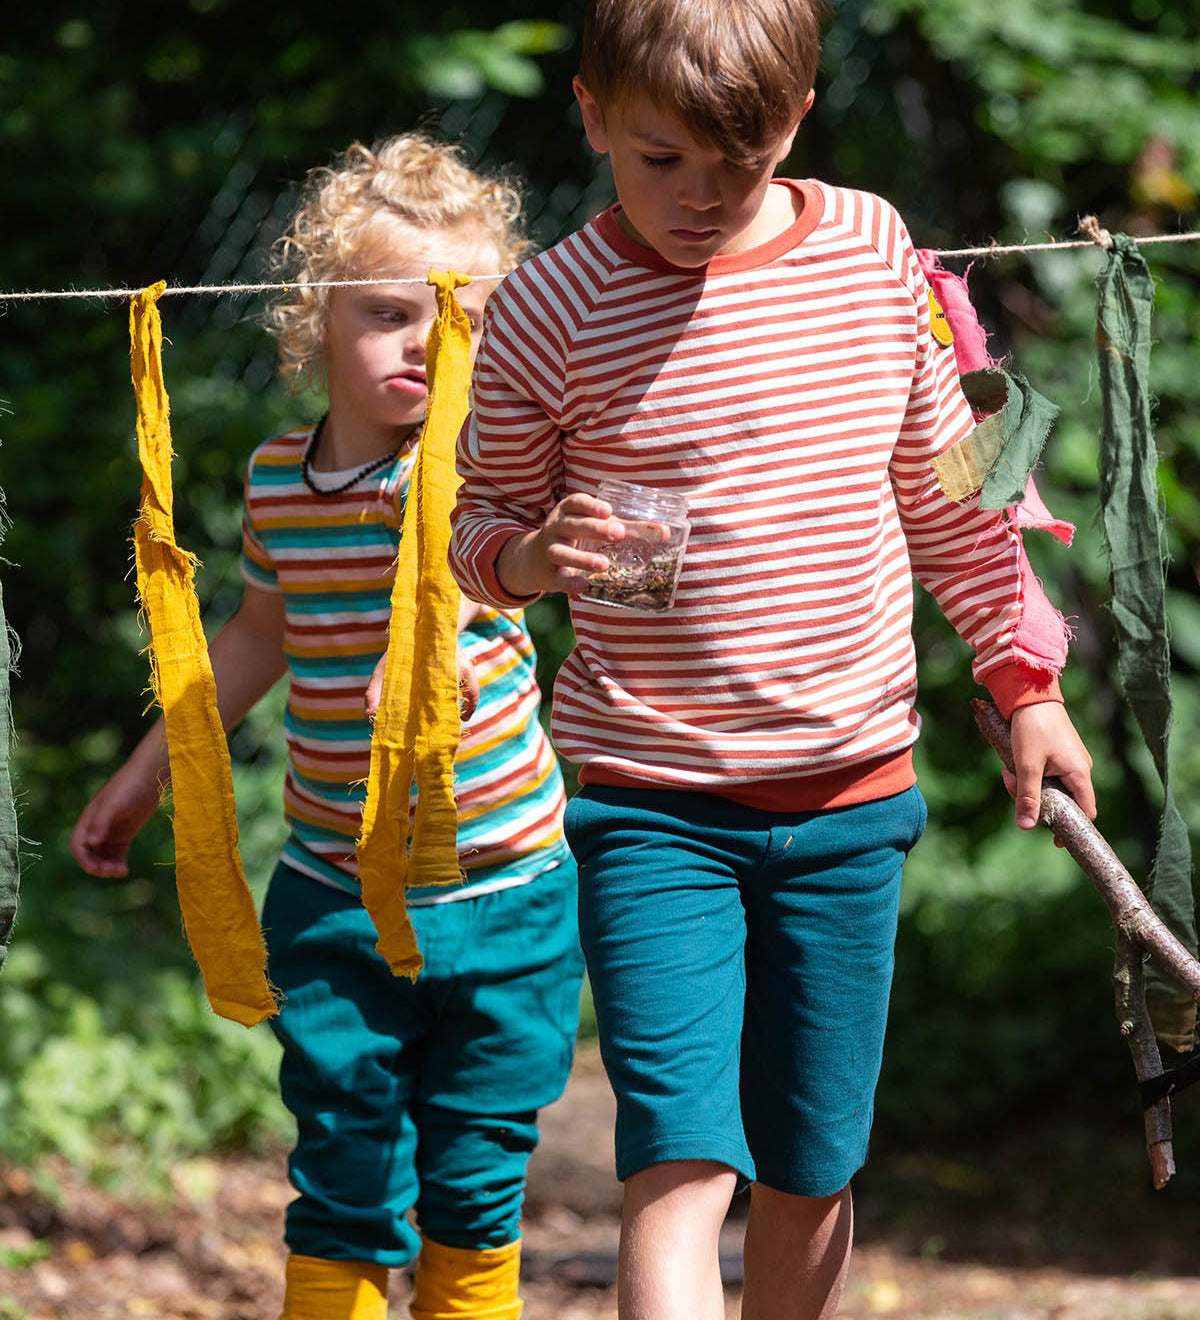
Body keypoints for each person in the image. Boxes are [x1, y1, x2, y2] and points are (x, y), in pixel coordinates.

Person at [447, 4, 1097, 1318]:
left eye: (733, 166)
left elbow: (955, 494)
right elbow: (476, 529)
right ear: (592, 117)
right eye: (658, 159)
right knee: (680, 1164)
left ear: (793, 123)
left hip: (851, 800)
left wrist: (1025, 680)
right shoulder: (545, 310)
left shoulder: (871, 253)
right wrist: (528, 560)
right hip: (650, 810)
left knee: (811, 1170)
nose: (696, 198)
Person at [71, 134, 584, 1320]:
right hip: (335, 890)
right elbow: (256, 634)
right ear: (314, 323)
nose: (425, 342)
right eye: (390, 312)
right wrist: (153, 769)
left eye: (459, 316)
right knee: (344, 1171)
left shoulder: (480, 471)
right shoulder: (272, 482)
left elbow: (497, 579)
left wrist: (431, 667)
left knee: (476, 1180)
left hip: (504, 889)